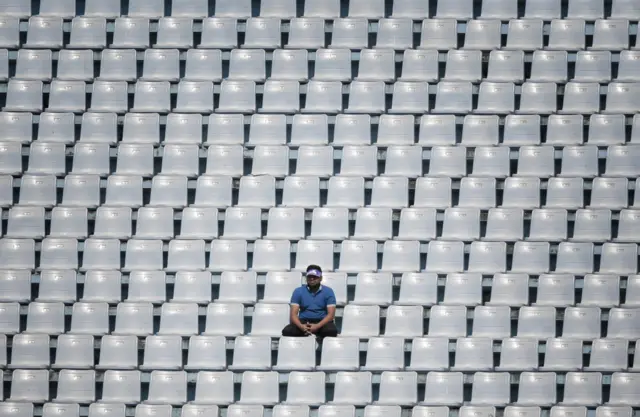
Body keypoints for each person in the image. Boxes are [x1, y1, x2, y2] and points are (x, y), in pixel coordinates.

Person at [282, 264, 339, 341]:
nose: (312, 278)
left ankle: (311, 333)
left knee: (331, 331)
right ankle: (309, 332)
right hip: (304, 321)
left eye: (315, 276)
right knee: (287, 331)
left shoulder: (328, 291)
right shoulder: (298, 291)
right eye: (309, 276)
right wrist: (301, 326)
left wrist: (317, 326)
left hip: (321, 321)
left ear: (320, 278)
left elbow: (330, 315)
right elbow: (293, 315)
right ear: (306, 277)